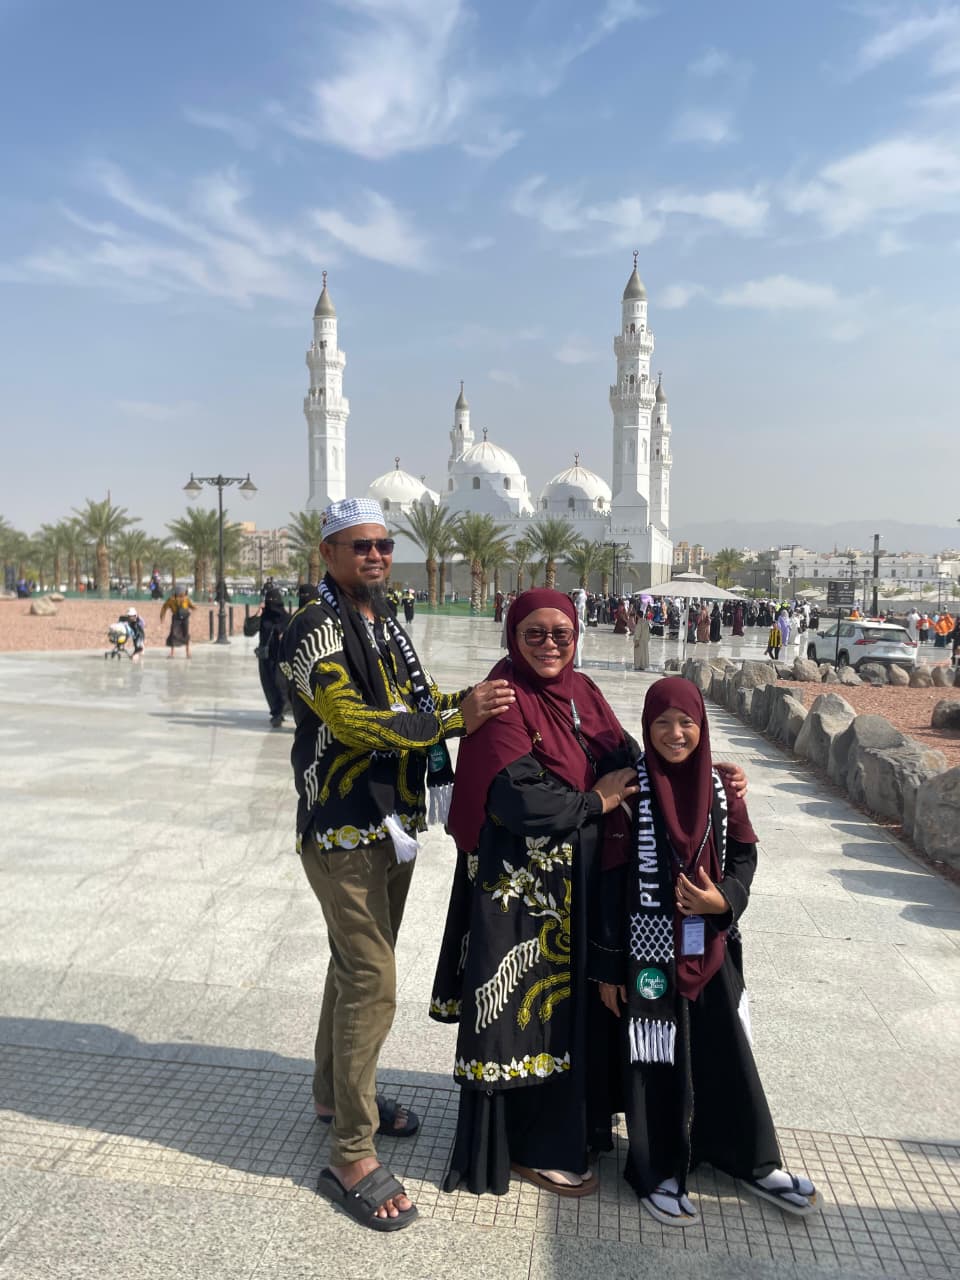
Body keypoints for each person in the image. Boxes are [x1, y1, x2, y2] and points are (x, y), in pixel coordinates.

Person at [280, 498, 514, 1233]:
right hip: (342, 829)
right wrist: (452, 718)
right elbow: (352, 721)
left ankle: (334, 1096)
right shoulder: (314, 628)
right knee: (373, 980)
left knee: (352, 969)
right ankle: (351, 1153)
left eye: (383, 544)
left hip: (392, 824)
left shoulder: (383, 623)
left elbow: (415, 701)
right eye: (360, 546)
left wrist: (475, 702)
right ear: (327, 554)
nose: (376, 555)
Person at [430, 590, 640, 1198]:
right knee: (527, 1015)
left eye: (561, 634)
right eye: (534, 634)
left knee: (576, 1012)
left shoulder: (584, 692)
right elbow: (516, 798)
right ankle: (530, 1146)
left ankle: (577, 1129)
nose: (550, 645)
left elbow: (628, 758)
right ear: (512, 637)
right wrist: (595, 801)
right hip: (520, 895)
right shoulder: (503, 697)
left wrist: (706, 777)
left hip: (576, 887)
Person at [592, 678, 819, 1227]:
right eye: (662, 723)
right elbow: (610, 880)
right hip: (647, 953)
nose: (675, 734)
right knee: (655, 1060)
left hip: (711, 946)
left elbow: (744, 855)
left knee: (726, 1054)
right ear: (646, 727)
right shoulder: (631, 791)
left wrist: (724, 900)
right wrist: (608, 966)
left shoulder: (720, 788)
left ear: (703, 726)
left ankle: (750, 1159)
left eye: (686, 723)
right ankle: (658, 1171)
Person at [244, 587, 290, 726]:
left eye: (274, 600)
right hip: (266, 658)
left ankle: (284, 708)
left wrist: (285, 635)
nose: (271, 604)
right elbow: (249, 631)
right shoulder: (263, 617)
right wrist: (258, 614)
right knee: (269, 685)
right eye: (268, 601)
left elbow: (296, 635)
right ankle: (277, 712)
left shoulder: (287, 618)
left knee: (282, 684)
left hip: (282, 658)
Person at [160, 587, 195, 658]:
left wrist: (194, 608)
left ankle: (188, 652)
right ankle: (172, 653)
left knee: (185, 633)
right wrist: (162, 617)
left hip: (185, 618)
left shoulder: (186, 599)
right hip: (176, 618)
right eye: (182, 593)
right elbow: (164, 607)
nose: (183, 595)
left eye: (184, 593)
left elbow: (191, 606)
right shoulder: (171, 600)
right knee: (173, 633)